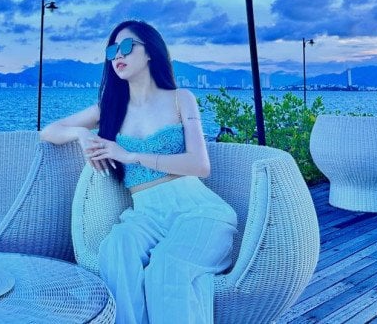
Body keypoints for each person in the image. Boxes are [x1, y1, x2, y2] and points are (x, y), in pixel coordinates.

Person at [40, 20, 238, 324]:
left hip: (198, 211)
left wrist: (132, 156)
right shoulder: (110, 109)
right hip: (146, 215)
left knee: (167, 268)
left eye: (126, 46)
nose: (118, 55)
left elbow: (200, 165)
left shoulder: (180, 98)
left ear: (150, 52)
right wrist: (81, 134)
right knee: (116, 250)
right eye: (112, 50)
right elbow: (49, 131)